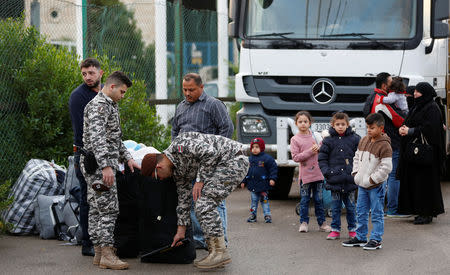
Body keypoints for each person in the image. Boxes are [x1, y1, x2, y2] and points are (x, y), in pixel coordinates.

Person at [147, 132, 249, 269]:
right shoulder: (177, 172)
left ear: (158, 167)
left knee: (204, 203)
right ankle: (215, 251)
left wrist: (200, 180)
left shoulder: (179, 146)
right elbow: (183, 200)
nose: (162, 179)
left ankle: (219, 252)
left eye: (158, 177)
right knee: (202, 203)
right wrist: (180, 231)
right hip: (221, 164)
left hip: (233, 159)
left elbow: (210, 152)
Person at [81, 71, 140, 270]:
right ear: (112, 87)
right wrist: (106, 166)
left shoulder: (110, 105)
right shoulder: (99, 107)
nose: (123, 96)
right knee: (109, 209)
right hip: (99, 166)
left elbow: (114, 138)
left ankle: (99, 252)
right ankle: (107, 252)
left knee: (97, 208)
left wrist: (128, 158)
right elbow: (98, 138)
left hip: (98, 164)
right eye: (122, 92)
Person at [171, 73, 234, 250]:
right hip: (188, 165)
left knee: (214, 202)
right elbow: (175, 131)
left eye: (191, 90)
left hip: (210, 163)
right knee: (193, 201)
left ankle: (221, 241)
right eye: (184, 89)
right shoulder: (181, 107)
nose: (187, 93)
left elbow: (227, 128)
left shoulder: (213, 105)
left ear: (201, 87)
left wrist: (217, 154)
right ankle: (200, 238)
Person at [68, 58, 103, 256]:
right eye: (84, 74)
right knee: (87, 199)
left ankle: (102, 240)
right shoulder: (78, 96)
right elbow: (83, 131)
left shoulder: (106, 91)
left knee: (102, 198)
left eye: (91, 73)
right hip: (85, 155)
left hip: (103, 154)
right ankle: (87, 243)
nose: (88, 77)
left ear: (100, 72)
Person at [397, 82, 445, 224]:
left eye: (419, 92)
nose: (415, 94)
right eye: (415, 91)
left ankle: (427, 213)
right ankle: (419, 211)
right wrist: (404, 128)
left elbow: (431, 128)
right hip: (416, 155)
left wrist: (411, 131)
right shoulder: (419, 106)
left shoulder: (432, 108)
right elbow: (412, 121)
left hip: (426, 155)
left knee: (425, 184)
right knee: (417, 183)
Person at [342, 113, 392, 250]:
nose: (369, 130)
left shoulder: (385, 145)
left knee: (376, 213)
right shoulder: (364, 140)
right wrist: (356, 174)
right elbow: (356, 157)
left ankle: (376, 239)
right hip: (362, 184)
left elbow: (387, 167)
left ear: (381, 128)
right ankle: (361, 237)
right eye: (367, 127)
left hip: (376, 185)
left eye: (372, 128)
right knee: (361, 211)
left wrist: (372, 179)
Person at [363, 72, 406, 218]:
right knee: (393, 175)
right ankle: (393, 209)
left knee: (374, 173)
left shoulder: (370, 98)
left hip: (375, 142)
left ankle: (374, 207)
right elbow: (399, 119)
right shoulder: (382, 101)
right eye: (390, 82)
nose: (392, 84)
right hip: (390, 141)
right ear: (383, 85)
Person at [318, 112, 360, 240]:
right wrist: (327, 172)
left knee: (351, 207)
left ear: (348, 125)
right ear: (332, 125)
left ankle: (353, 229)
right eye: (337, 124)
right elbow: (322, 158)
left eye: (343, 124)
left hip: (350, 179)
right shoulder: (328, 140)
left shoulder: (355, 139)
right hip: (334, 179)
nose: (340, 127)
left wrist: (357, 172)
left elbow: (360, 156)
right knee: (335, 207)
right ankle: (335, 229)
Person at [290, 111, 331, 233]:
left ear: (310, 123)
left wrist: (320, 146)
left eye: (305, 121)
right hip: (305, 176)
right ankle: (303, 223)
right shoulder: (295, 139)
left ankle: (322, 224)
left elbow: (324, 150)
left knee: (319, 200)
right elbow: (296, 157)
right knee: (305, 200)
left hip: (318, 174)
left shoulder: (315, 136)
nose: (303, 124)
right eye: (300, 121)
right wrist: (311, 151)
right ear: (296, 123)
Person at [240, 138, 277, 223]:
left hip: (263, 185)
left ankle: (267, 215)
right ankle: (253, 215)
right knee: (254, 202)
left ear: (262, 148)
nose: (254, 149)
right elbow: (245, 171)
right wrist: (243, 181)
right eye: (253, 147)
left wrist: (272, 178)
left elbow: (273, 169)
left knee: (264, 201)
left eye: (257, 147)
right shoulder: (249, 159)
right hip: (253, 186)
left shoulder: (267, 159)